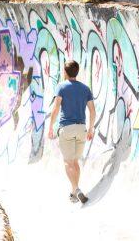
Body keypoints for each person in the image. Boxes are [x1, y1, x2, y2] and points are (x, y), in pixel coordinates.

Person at [48, 60, 96, 204]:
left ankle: (76, 189)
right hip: (81, 129)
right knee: (75, 162)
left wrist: (50, 126)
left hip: (66, 129)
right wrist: (91, 128)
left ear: (65, 72)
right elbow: (92, 110)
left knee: (68, 162)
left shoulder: (61, 87)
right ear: (77, 71)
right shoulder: (85, 89)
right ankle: (74, 191)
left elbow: (56, 108)